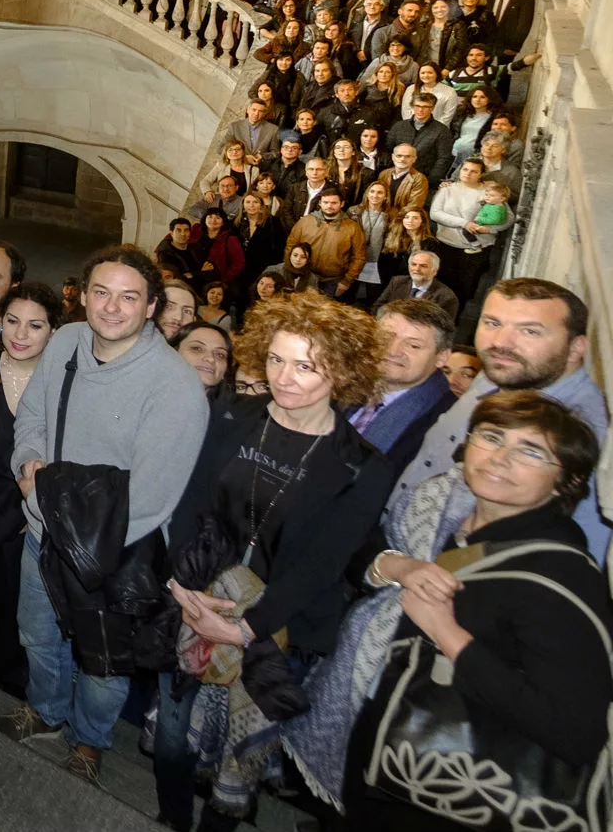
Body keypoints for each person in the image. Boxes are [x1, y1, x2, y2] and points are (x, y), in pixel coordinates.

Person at [288, 392, 610, 828]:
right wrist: (397, 564)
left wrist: (447, 633)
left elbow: (575, 733)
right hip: (379, 741)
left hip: (452, 787)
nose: (499, 457)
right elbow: (365, 549)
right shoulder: (440, 511)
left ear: (565, 481)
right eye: (492, 436)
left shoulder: (560, 574)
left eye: (531, 450)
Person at [152, 291, 391, 832]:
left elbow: (323, 566)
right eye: (277, 359)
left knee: (241, 758)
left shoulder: (362, 466)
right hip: (197, 594)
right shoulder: (237, 414)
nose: (284, 377)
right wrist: (180, 584)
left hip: (279, 628)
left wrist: (244, 631)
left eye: (306, 366)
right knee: (171, 733)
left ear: (341, 371)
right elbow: (192, 501)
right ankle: (169, 819)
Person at [0, 245, 209, 785]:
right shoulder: (65, 341)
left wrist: (43, 503)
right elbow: (34, 415)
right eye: (102, 293)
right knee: (37, 635)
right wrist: (26, 463)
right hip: (43, 537)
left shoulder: (175, 388)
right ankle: (46, 711)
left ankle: (89, 742)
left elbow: (152, 500)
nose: (112, 308)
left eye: (129, 297)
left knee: (102, 661)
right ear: (83, 296)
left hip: (114, 552)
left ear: (152, 306)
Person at [392, 277, 607, 557]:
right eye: (492, 323)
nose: (501, 343)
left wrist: (439, 577)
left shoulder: (587, 431)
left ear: (576, 347)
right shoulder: (502, 372)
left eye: (529, 331)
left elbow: (568, 553)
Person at [0, 281, 63, 697]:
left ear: (54, 332)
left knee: (13, 605)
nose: (20, 335)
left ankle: (6, 673)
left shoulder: (62, 383)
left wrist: (37, 509)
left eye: (35, 325)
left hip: (27, 513)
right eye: (12, 321)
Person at [350, 297, 457, 478]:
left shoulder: (447, 422)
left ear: (441, 357)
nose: (392, 351)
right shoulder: (346, 384)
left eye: (413, 345)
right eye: (385, 337)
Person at [427, 157, 506, 304]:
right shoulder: (447, 189)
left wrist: (489, 228)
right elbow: (435, 213)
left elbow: (507, 219)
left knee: (464, 290)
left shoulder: (489, 191)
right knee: (440, 288)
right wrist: (464, 223)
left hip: (476, 249)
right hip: (447, 245)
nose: (468, 174)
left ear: (481, 174)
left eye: (474, 171)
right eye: (465, 169)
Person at [287, 188, 368, 302]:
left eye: (334, 203)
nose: (329, 206)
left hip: (333, 281)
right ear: (320, 203)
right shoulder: (305, 222)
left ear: (342, 204)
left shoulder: (352, 227)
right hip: (305, 277)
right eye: (325, 202)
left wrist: (347, 280)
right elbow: (290, 246)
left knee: (326, 317)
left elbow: (359, 257)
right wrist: (290, 272)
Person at [372, 246, 459, 322]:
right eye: (414, 264)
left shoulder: (446, 297)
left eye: (423, 266)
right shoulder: (397, 282)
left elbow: (443, 328)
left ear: (434, 271)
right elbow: (378, 307)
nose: (416, 269)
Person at [388, 91, 453, 185]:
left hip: (424, 178)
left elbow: (443, 159)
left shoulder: (442, 130)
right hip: (396, 175)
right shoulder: (399, 126)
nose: (420, 110)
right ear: (413, 107)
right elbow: (389, 149)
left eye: (425, 107)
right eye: (417, 106)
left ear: (432, 108)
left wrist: (430, 181)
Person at [171, 322, 235, 402]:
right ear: (172, 353)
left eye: (220, 355)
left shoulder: (238, 411)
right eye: (197, 348)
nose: (210, 358)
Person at [156, 217, 203, 284]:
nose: (183, 234)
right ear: (171, 233)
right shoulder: (165, 253)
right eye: (179, 230)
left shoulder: (196, 249)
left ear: (190, 233)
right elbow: (175, 278)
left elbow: (210, 271)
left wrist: (193, 275)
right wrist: (200, 273)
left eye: (186, 230)